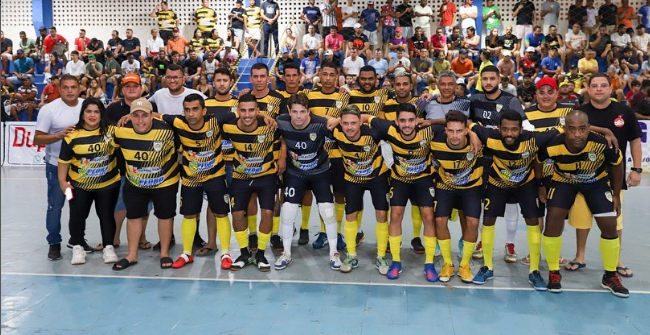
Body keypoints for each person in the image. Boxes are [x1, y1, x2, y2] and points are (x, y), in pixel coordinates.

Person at [538, 109, 629, 297]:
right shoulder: (553, 144)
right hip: (564, 181)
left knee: (609, 225)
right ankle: (554, 272)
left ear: (588, 129)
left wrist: (617, 194)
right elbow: (539, 161)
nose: (577, 134)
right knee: (553, 219)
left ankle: (610, 276)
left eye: (582, 129)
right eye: (572, 129)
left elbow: (617, 163)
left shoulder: (602, 143)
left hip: (595, 182)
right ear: (565, 129)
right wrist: (540, 185)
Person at [565, 73, 643, 279]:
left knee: (614, 220)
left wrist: (636, 169)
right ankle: (580, 256)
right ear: (588, 89)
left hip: (613, 177)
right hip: (583, 174)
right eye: (595, 86)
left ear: (611, 88)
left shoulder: (624, 111)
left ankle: (616, 259)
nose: (599, 89)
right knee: (581, 219)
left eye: (603, 86)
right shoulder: (580, 112)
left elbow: (635, 141)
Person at [273, 93, 343, 270]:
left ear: (308, 111)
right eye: (294, 111)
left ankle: (334, 253)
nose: (298, 116)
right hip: (295, 173)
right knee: (288, 211)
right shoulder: (281, 122)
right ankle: (286, 253)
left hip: (320, 172)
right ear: (289, 111)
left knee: (327, 211)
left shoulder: (320, 123)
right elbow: (273, 132)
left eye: (302, 112)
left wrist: (338, 119)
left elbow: (347, 129)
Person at [110, 97, 180, 270]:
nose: (140, 120)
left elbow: (182, 149)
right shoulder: (120, 131)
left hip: (164, 183)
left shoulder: (167, 131)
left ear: (152, 116)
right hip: (135, 183)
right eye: (136, 116)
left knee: (165, 216)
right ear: (130, 116)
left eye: (144, 115)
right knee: (133, 217)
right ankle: (132, 255)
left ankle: (164, 253)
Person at [221, 94, 282, 271]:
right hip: (241, 176)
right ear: (237, 111)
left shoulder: (271, 126)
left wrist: (282, 158)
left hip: (266, 176)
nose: (247, 115)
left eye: (251, 110)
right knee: (238, 214)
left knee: (268, 212)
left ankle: (261, 253)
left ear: (257, 111)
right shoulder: (228, 126)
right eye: (243, 110)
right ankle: (244, 253)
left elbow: (284, 137)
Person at [57, 98, 120, 265]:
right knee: (77, 216)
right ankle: (77, 248)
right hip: (77, 186)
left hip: (108, 184)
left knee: (107, 216)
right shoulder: (72, 135)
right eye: (89, 111)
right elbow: (64, 161)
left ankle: (108, 247)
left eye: (96, 112)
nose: (92, 115)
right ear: (83, 114)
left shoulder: (112, 131)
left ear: (102, 114)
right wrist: (63, 182)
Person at [328, 105, 390, 273]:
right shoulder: (336, 131)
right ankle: (351, 255)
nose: (349, 127)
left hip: (378, 177)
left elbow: (392, 127)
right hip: (353, 179)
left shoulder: (373, 132)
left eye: (354, 123)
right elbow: (314, 120)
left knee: (382, 215)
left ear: (360, 122)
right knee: (350, 215)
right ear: (340, 123)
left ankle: (381, 256)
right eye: (345, 123)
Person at [34, 74, 84, 261]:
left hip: (80, 169)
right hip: (56, 168)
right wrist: (59, 135)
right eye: (66, 87)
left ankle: (77, 239)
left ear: (79, 88)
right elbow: (37, 138)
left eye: (73, 87)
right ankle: (54, 243)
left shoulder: (86, 107)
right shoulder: (49, 110)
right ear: (59, 88)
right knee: (56, 206)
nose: (70, 91)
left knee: (78, 206)